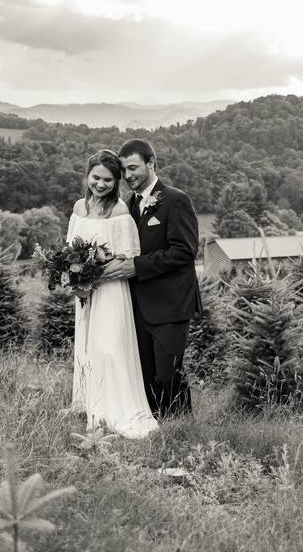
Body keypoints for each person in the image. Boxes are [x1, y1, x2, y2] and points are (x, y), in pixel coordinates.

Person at [101, 139, 202, 418]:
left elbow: (184, 252)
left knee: (169, 374)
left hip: (171, 305)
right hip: (138, 306)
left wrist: (137, 266)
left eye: (133, 167)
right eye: (124, 170)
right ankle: (156, 428)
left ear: (151, 163)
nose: (129, 175)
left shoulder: (176, 200)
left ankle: (182, 427)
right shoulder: (127, 205)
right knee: (145, 376)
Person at [65, 150, 159, 438]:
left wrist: (94, 275)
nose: (101, 184)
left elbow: (128, 257)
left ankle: (117, 409)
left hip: (110, 290)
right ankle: (92, 405)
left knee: (109, 347)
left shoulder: (120, 212)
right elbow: (70, 248)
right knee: (87, 347)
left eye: (108, 180)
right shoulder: (79, 207)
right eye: (96, 178)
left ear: (116, 181)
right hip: (85, 292)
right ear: (87, 176)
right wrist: (73, 274)